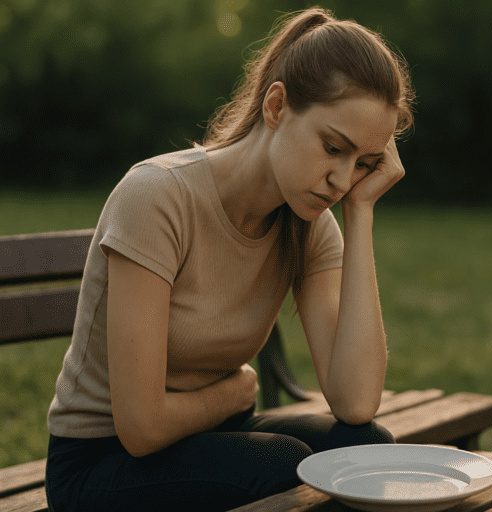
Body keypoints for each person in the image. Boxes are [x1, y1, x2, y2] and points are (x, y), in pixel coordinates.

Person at [44, 6, 416, 511]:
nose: (342, 179)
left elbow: (354, 403)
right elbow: (141, 427)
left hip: (214, 436)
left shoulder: (310, 225)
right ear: (277, 106)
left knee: (366, 449)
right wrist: (233, 392)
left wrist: (362, 212)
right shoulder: (156, 198)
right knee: (279, 463)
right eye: (333, 147)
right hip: (98, 464)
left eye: (364, 164)